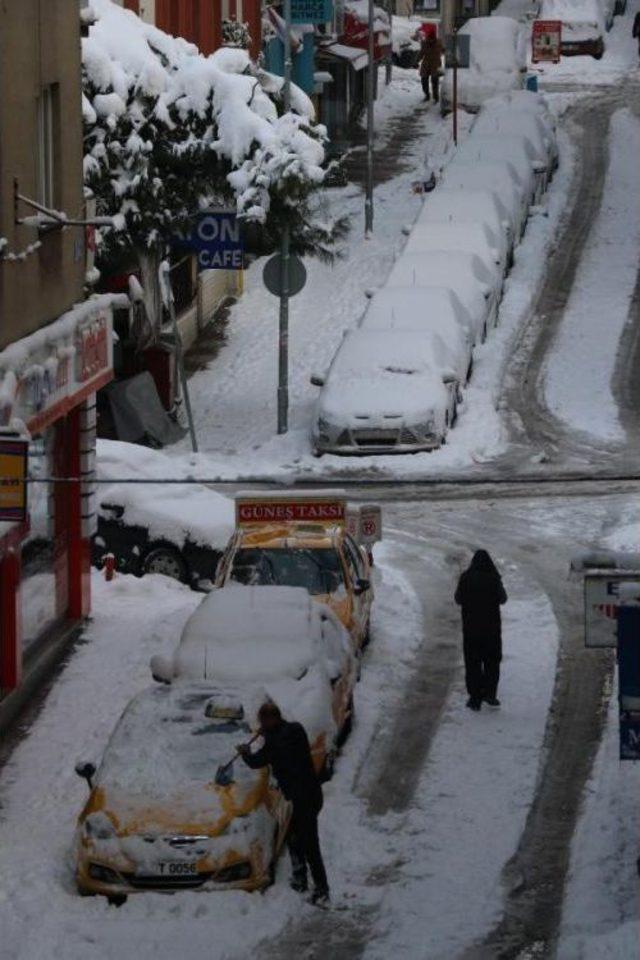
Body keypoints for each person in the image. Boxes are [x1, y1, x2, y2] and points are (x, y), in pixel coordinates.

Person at [238, 702, 329, 904]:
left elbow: (260, 759)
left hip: (306, 797)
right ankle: (300, 879)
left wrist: (247, 752)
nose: (262, 725)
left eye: (264, 721)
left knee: (310, 844)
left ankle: (322, 891)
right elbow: (265, 754)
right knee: (293, 838)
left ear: (272, 719)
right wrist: (255, 745)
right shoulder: (288, 731)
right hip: (300, 797)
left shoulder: (287, 735)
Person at [454, 550, 508, 711]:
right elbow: (503, 599)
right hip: (491, 630)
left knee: (473, 663)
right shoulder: (493, 578)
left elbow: (458, 599)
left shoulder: (466, 577)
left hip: (471, 630)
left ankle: (475, 698)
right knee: (492, 662)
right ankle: (490, 694)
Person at [418, 24, 444, 103]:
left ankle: (430, 96)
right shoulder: (438, 42)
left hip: (430, 64)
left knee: (428, 81)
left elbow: (421, 54)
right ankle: (433, 97)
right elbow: (443, 51)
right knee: (432, 81)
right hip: (432, 64)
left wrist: (416, 61)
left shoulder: (427, 43)